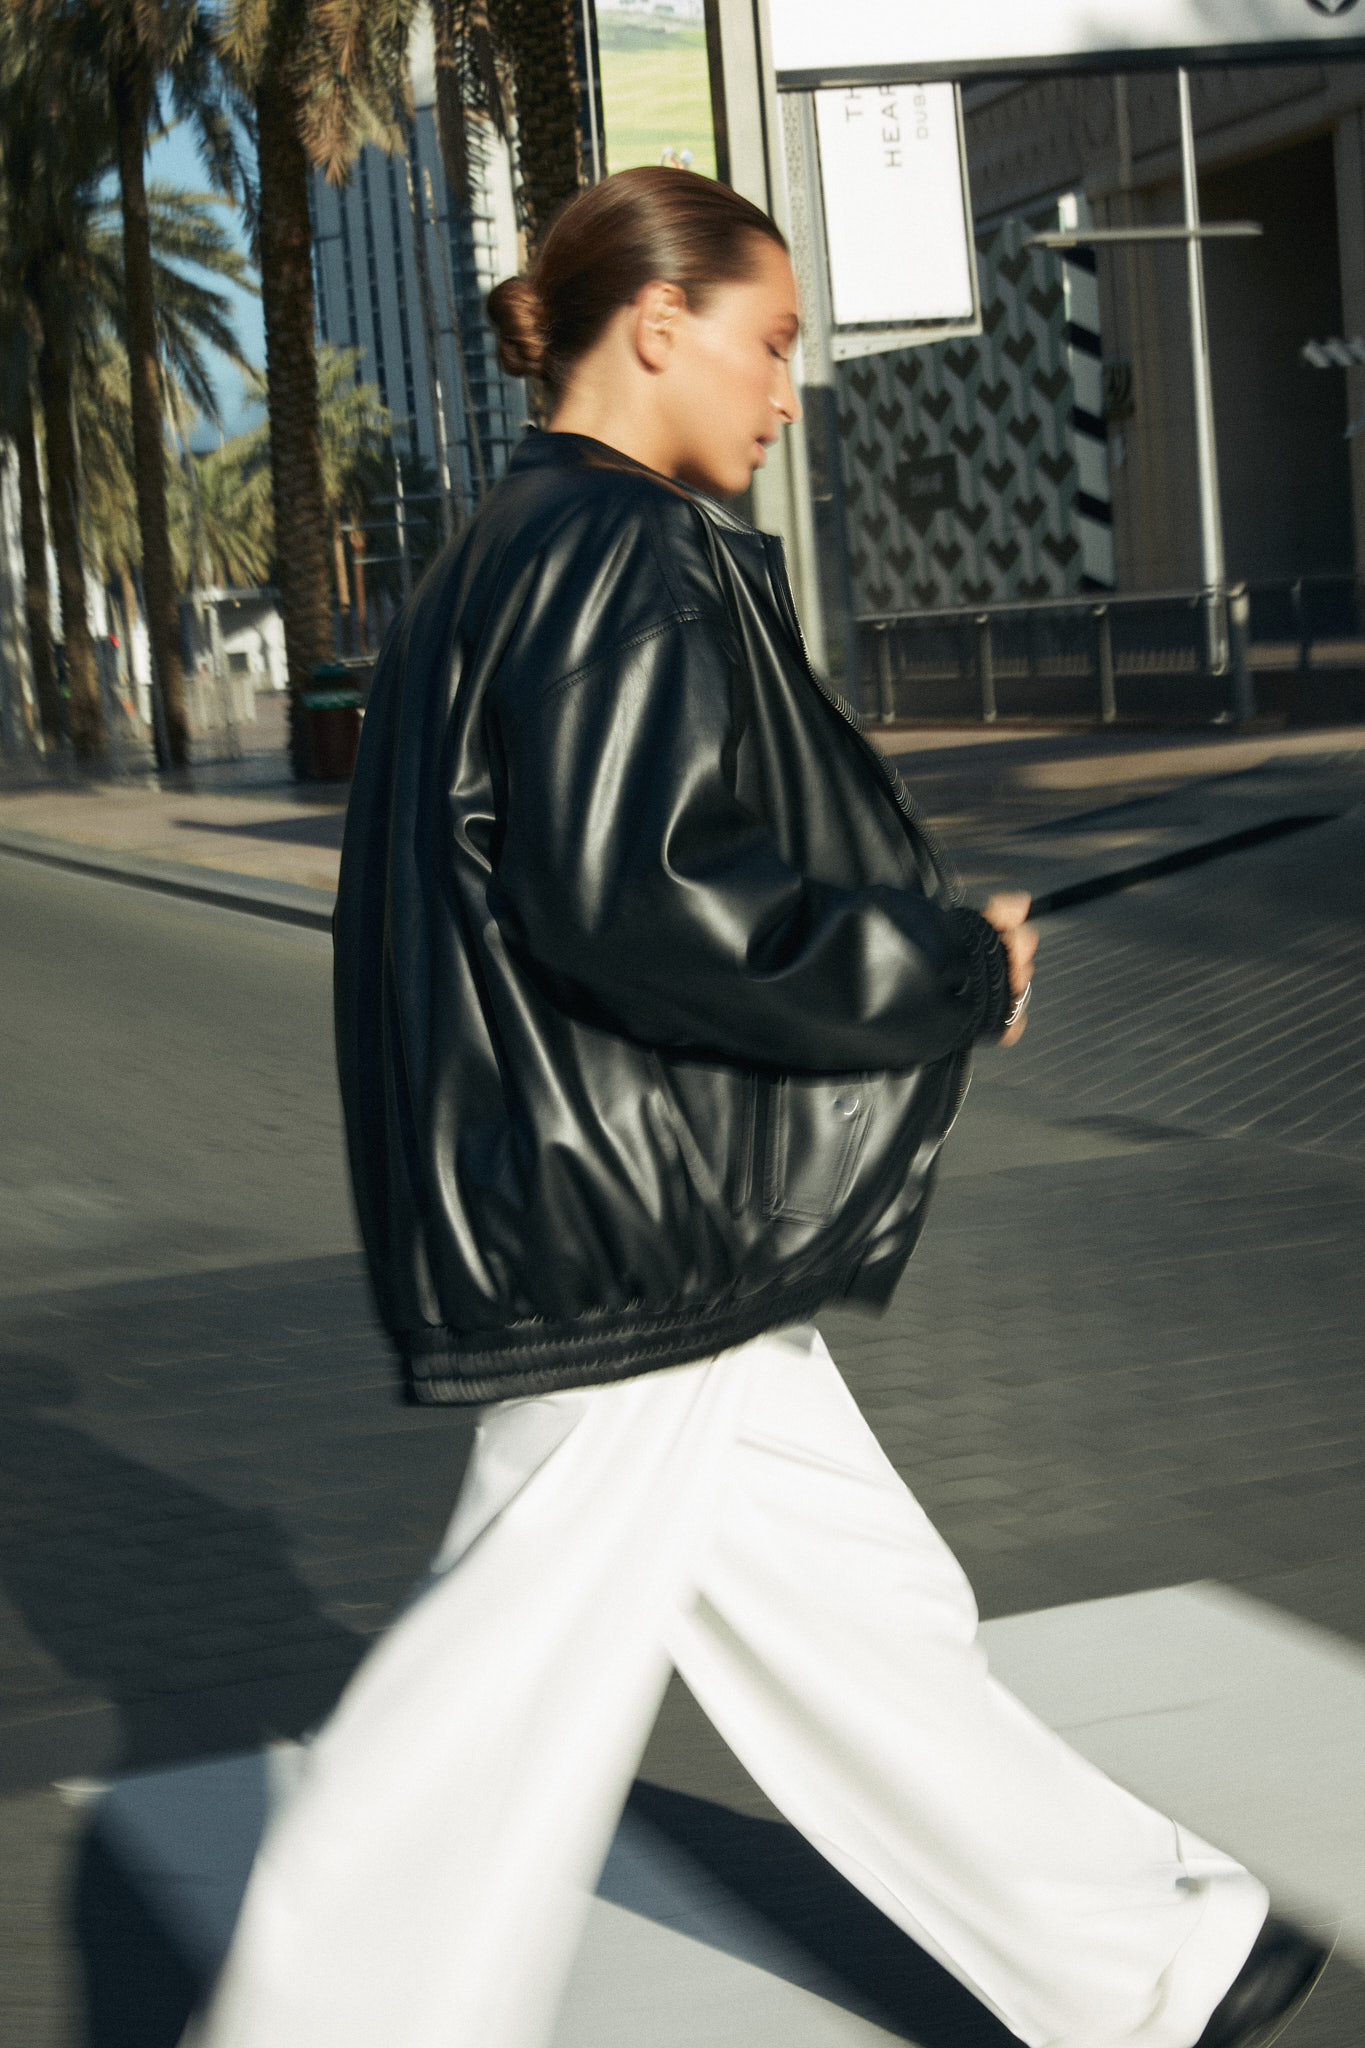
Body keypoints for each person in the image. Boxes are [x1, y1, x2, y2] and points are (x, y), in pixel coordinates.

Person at [191, 168, 1327, 2048]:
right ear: (660, 325)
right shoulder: (610, 546)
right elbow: (646, 900)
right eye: (771, 341)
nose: (790, 388)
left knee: (856, 1610)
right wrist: (941, 970)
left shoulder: (506, 545)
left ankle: (1146, 1959)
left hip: (608, 1189)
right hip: (623, 1204)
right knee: (496, 1684)